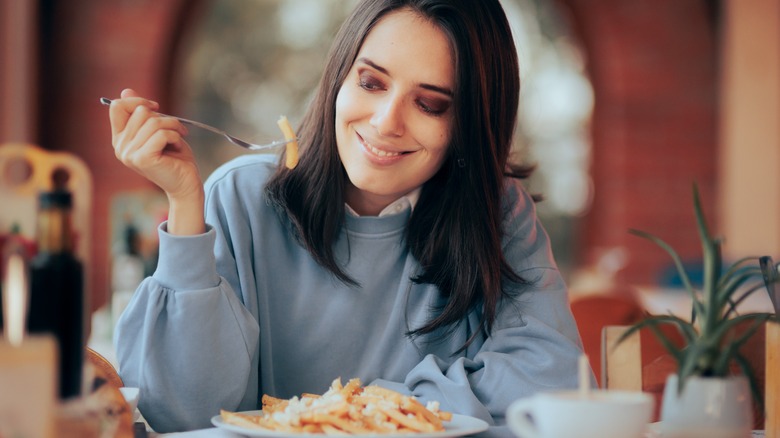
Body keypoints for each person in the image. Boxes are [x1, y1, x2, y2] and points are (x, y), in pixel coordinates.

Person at [108, 0, 589, 435]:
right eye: (371, 82)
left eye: (430, 103)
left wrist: (372, 415)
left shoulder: (499, 211)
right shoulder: (238, 198)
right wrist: (185, 205)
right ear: (339, 78)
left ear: (468, 124)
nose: (386, 121)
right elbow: (182, 412)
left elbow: (551, 377)